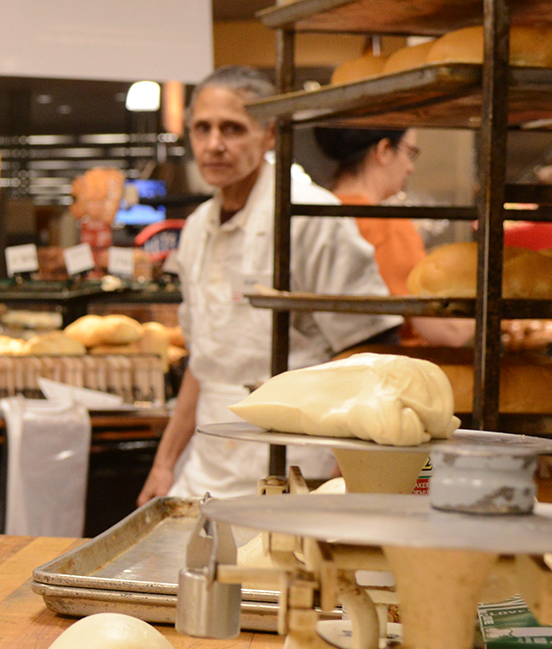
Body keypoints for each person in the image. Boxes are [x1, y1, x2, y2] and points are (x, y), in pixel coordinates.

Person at [139, 67, 401, 503]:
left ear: (270, 135)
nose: (214, 144)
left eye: (233, 129)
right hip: (209, 461)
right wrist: (164, 465)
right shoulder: (197, 227)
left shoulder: (308, 215)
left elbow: (371, 349)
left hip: (299, 461)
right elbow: (205, 364)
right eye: (202, 129)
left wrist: (350, 471)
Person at [313, 127, 470, 347]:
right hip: (389, 369)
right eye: (410, 153)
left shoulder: (313, 216)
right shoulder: (386, 225)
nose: (410, 168)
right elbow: (447, 332)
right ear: (384, 150)